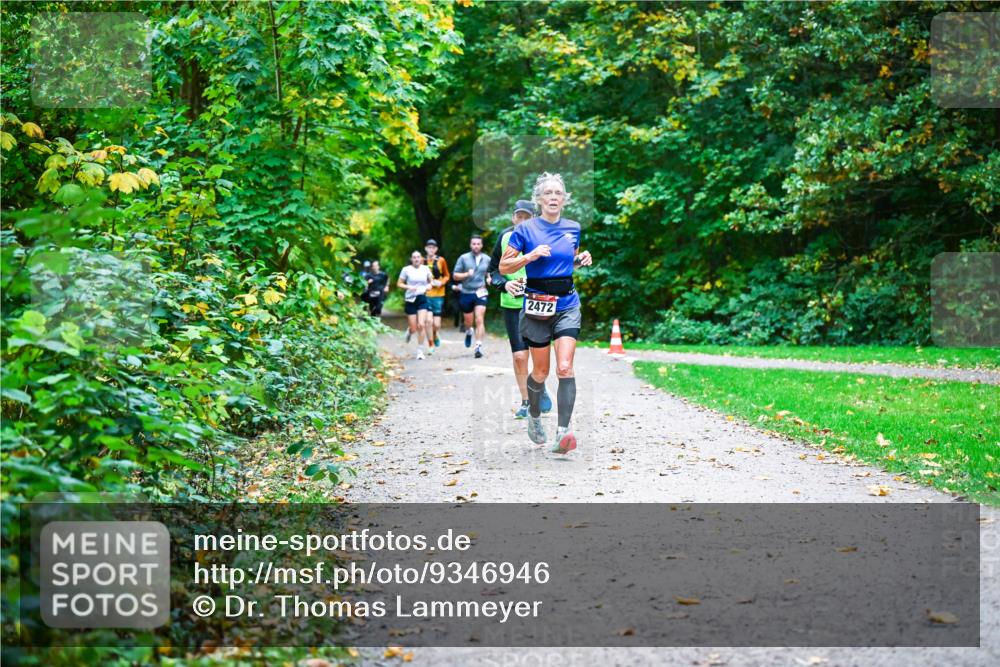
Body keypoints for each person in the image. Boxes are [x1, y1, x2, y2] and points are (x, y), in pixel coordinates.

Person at [499, 173, 592, 454]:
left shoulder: (573, 228)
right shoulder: (525, 230)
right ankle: (535, 415)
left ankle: (563, 433)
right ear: (539, 200)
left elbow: (567, 259)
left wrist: (580, 259)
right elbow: (504, 267)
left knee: (565, 367)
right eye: (548, 193)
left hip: (567, 303)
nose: (553, 197)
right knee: (540, 371)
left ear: (564, 199)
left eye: (558, 193)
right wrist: (530, 256)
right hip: (537, 304)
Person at [489, 199, 552, 418]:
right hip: (513, 305)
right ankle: (526, 401)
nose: (523, 221)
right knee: (519, 356)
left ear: (534, 218)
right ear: (514, 218)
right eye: (519, 216)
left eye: (527, 217)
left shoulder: (543, 239)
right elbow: (492, 272)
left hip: (538, 303)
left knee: (537, 353)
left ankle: (539, 386)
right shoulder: (505, 238)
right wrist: (505, 284)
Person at [452, 234, 491, 359]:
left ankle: (478, 346)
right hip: (466, 292)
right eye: (474, 243)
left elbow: (490, 273)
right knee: (468, 321)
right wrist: (466, 274)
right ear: (470, 245)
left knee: (479, 319)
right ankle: (469, 331)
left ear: (481, 245)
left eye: (478, 244)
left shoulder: (487, 259)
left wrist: (489, 278)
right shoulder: (463, 258)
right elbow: (455, 276)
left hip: (481, 292)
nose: (476, 246)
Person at [397, 251, 435, 360]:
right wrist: (409, 287)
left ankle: (420, 351)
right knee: (414, 328)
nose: (416, 259)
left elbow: (431, 281)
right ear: (411, 259)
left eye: (418, 257)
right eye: (414, 257)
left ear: (422, 259)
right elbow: (399, 283)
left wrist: (429, 286)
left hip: (421, 298)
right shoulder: (406, 269)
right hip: (410, 299)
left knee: (421, 325)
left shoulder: (426, 269)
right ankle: (410, 331)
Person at [423, 239, 450, 348]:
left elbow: (447, 275)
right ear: (426, 248)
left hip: (438, 294)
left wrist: (441, 282)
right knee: (428, 321)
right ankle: (430, 343)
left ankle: (435, 334)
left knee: (436, 324)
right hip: (425, 294)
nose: (431, 249)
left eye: (433, 248)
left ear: (436, 249)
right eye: (429, 247)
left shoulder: (441, 260)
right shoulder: (421, 261)